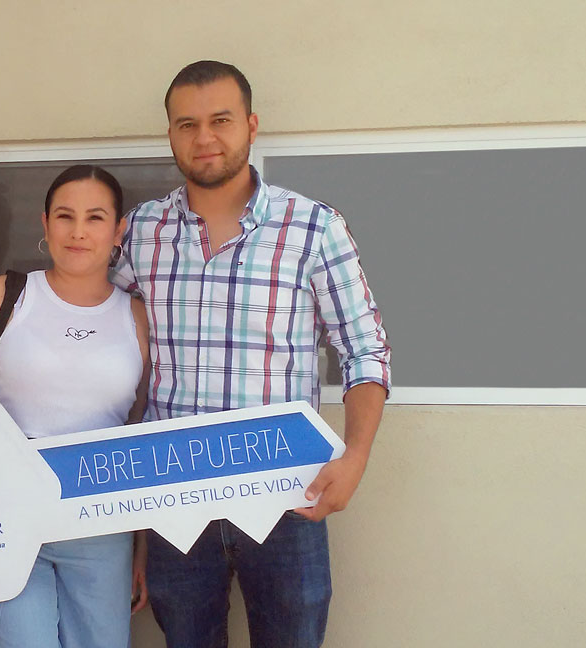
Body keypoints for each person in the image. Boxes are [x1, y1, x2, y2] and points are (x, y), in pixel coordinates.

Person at [105, 60, 391, 648]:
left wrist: (356, 455)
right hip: (173, 489)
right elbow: (86, 313)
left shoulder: (313, 227)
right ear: (170, 134)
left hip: (287, 489)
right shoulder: (139, 231)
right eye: (187, 124)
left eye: (220, 120)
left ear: (251, 126)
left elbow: (363, 349)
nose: (204, 138)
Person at [0, 165, 152, 648]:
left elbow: (139, 433)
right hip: (6, 513)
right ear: (45, 222)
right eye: (65, 216)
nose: (78, 231)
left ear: (118, 230)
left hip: (101, 519)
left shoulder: (136, 316)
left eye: (95, 218)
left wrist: (141, 546)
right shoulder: (6, 294)